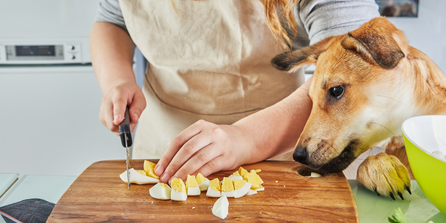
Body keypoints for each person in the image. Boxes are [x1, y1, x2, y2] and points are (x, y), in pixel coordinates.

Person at [91, 0, 379, 184]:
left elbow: (360, 66)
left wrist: (245, 137)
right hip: (164, 147)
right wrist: (117, 79)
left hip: (285, 151)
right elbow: (113, 20)